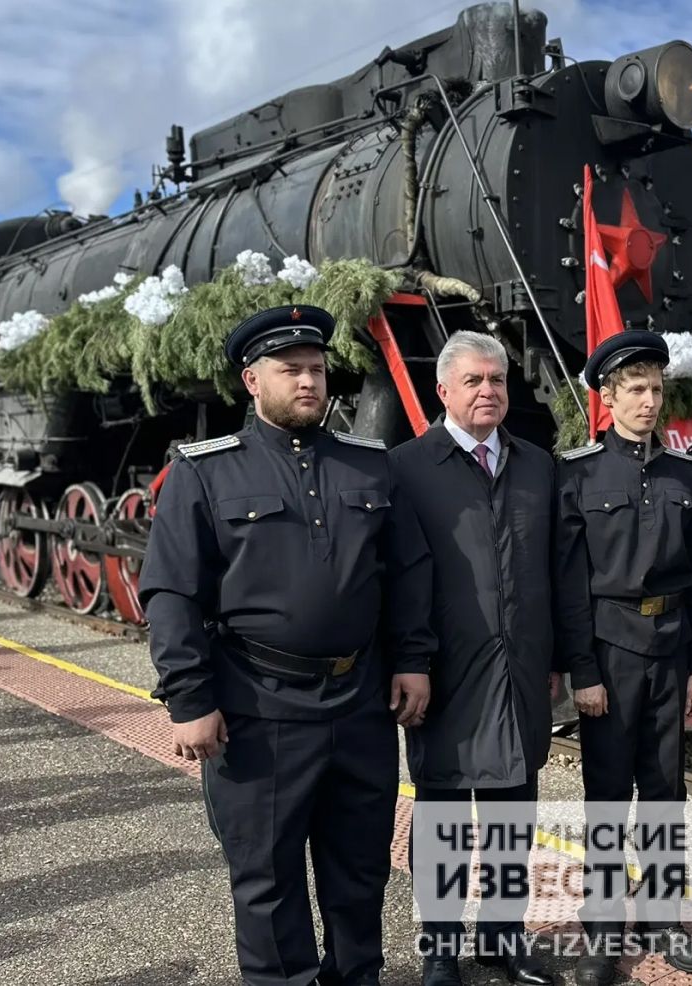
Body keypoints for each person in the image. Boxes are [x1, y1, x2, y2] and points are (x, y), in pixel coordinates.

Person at [139, 304, 435, 986]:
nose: (308, 382)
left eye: (317, 370)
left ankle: (356, 977)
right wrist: (189, 697)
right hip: (256, 704)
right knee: (267, 878)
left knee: (360, 868)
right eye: (290, 370)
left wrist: (413, 660)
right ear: (252, 380)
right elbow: (172, 592)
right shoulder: (207, 471)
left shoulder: (368, 466)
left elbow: (408, 571)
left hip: (359, 701)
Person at [390, 331, 557, 986]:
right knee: (443, 816)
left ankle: (502, 935)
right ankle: (438, 946)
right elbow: (399, 578)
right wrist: (408, 660)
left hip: (520, 671)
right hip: (445, 674)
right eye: (474, 382)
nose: (488, 391)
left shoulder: (538, 466)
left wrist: (560, 659)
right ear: (443, 392)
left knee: (515, 811)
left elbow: (556, 569)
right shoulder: (406, 468)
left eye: (497, 380)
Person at [554, 330, 692, 986]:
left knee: (664, 793)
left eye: (656, 389)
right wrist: (582, 672)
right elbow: (568, 583)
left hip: (671, 650)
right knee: (604, 796)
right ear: (608, 397)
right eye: (635, 390)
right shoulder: (580, 474)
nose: (649, 402)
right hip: (610, 652)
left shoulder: (686, 476)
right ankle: (599, 928)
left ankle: (661, 916)